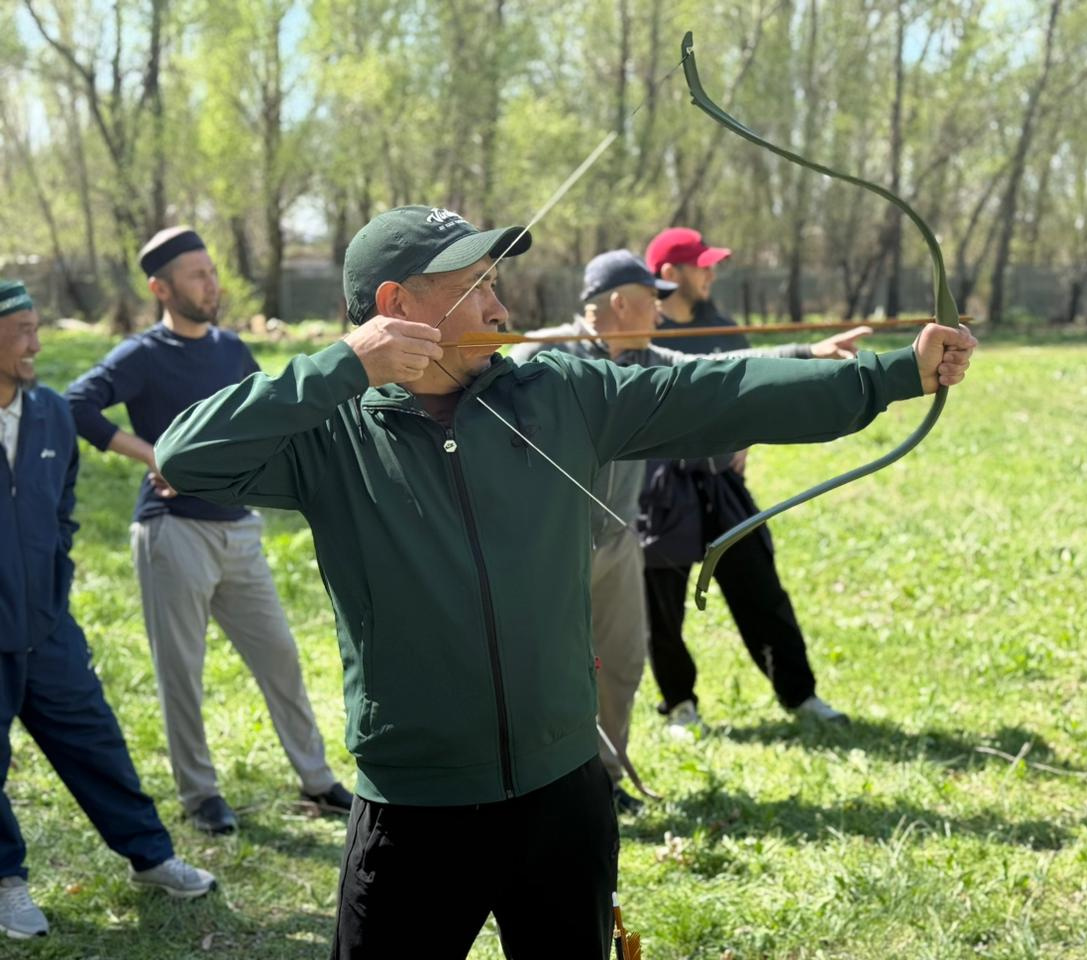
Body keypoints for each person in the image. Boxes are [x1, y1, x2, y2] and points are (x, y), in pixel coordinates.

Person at [151, 205, 976, 959]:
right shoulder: (327, 434)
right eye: (476, 286)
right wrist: (343, 366)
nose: (500, 307)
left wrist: (888, 376)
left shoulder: (558, 393)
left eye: (496, 284)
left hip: (564, 793)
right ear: (397, 304)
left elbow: (714, 391)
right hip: (413, 807)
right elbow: (185, 457)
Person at [510, 250, 872, 807]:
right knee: (543, 673)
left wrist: (807, 354)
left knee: (621, 668)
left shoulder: (647, 359)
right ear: (620, 303)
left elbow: (723, 372)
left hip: (617, 543)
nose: (659, 312)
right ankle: (533, 790)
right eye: (651, 301)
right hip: (546, 551)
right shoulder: (542, 353)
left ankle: (602, 784)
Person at [64, 228, 351, 836]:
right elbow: (76, 404)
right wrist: (153, 455)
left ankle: (317, 779)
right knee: (182, 673)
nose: (211, 284)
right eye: (197, 275)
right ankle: (200, 795)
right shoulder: (142, 355)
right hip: (173, 534)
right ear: (160, 288)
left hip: (239, 532)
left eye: (212, 271)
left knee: (281, 657)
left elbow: (264, 419)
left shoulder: (232, 350)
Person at [0, 280, 215, 940]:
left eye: (38, 328)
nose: (37, 344)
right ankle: (6, 881)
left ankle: (149, 857)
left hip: (47, 624)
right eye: (23, 331)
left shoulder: (48, 413)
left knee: (96, 740)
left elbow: (62, 508)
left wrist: (53, 579)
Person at [639, 226, 857, 734]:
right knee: (660, 606)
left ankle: (800, 695)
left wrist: (745, 437)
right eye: (702, 266)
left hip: (720, 480)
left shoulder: (722, 327)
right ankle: (679, 704)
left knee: (761, 589)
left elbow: (748, 386)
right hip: (660, 488)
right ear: (670, 273)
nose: (711, 274)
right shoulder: (643, 331)